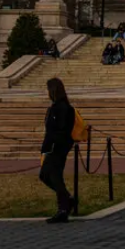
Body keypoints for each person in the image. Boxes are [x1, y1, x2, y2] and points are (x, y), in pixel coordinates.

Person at [39, 78, 75, 223]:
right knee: (45, 175)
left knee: (54, 177)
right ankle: (67, 201)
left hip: (57, 148)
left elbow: (61, 130)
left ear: (53, 90)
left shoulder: (63, 108)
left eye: (48, 89)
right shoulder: (57, 107)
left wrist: (53, 141)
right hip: (53, 147)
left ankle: (63, 209)